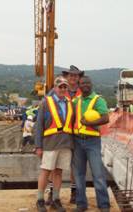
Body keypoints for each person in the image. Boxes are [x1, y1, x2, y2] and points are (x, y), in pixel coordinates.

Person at [46, 65, 84, 205]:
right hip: (61, 135)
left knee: (76, 165)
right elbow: (46, 108)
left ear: (79, 78)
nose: (73, 77)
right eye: (71, 75)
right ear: (67, 77)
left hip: (78, 134)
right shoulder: (56, 91)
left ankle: (74, 192)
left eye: (76, 75)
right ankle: (52, 193)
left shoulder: (83, 91)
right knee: (55, 165)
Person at [35, 76, 73, 212]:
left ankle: (56, 200)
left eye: (65, 87)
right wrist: (38, 146)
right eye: (60, 87)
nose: (63, 89)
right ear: (55, 88)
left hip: (65, 143)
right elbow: (38, 125)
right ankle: (40, 200)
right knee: (45, 171)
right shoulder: (46, 103)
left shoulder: (70, 103)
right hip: (50, 143)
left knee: (58, 172)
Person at [72, 76, 110, 212]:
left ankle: (104, 205)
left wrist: (89, 123)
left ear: (91, 84)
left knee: (98, 174)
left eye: (87, 82)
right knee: (79, 175)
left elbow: (105, 118)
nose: (85, 85)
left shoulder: (98, 100)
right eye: (82, 83)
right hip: (77, 141)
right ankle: (81, 204)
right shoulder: (76, 101)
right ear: (79, 86)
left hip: (92, 142)